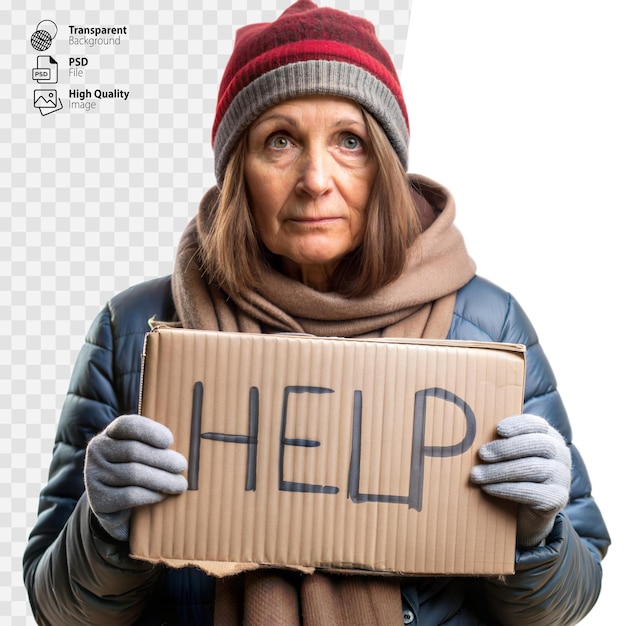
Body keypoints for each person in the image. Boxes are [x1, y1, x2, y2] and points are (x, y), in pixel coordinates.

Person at [23, 1, 610, 624]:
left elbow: (563, 604)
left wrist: (537, 536)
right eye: (280, 140)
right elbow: (59, 609)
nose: (315, 178)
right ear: (235, 171)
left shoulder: (488, 323)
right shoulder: (133, 329)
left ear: (384, 166)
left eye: (349, 142)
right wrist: (105, 529)